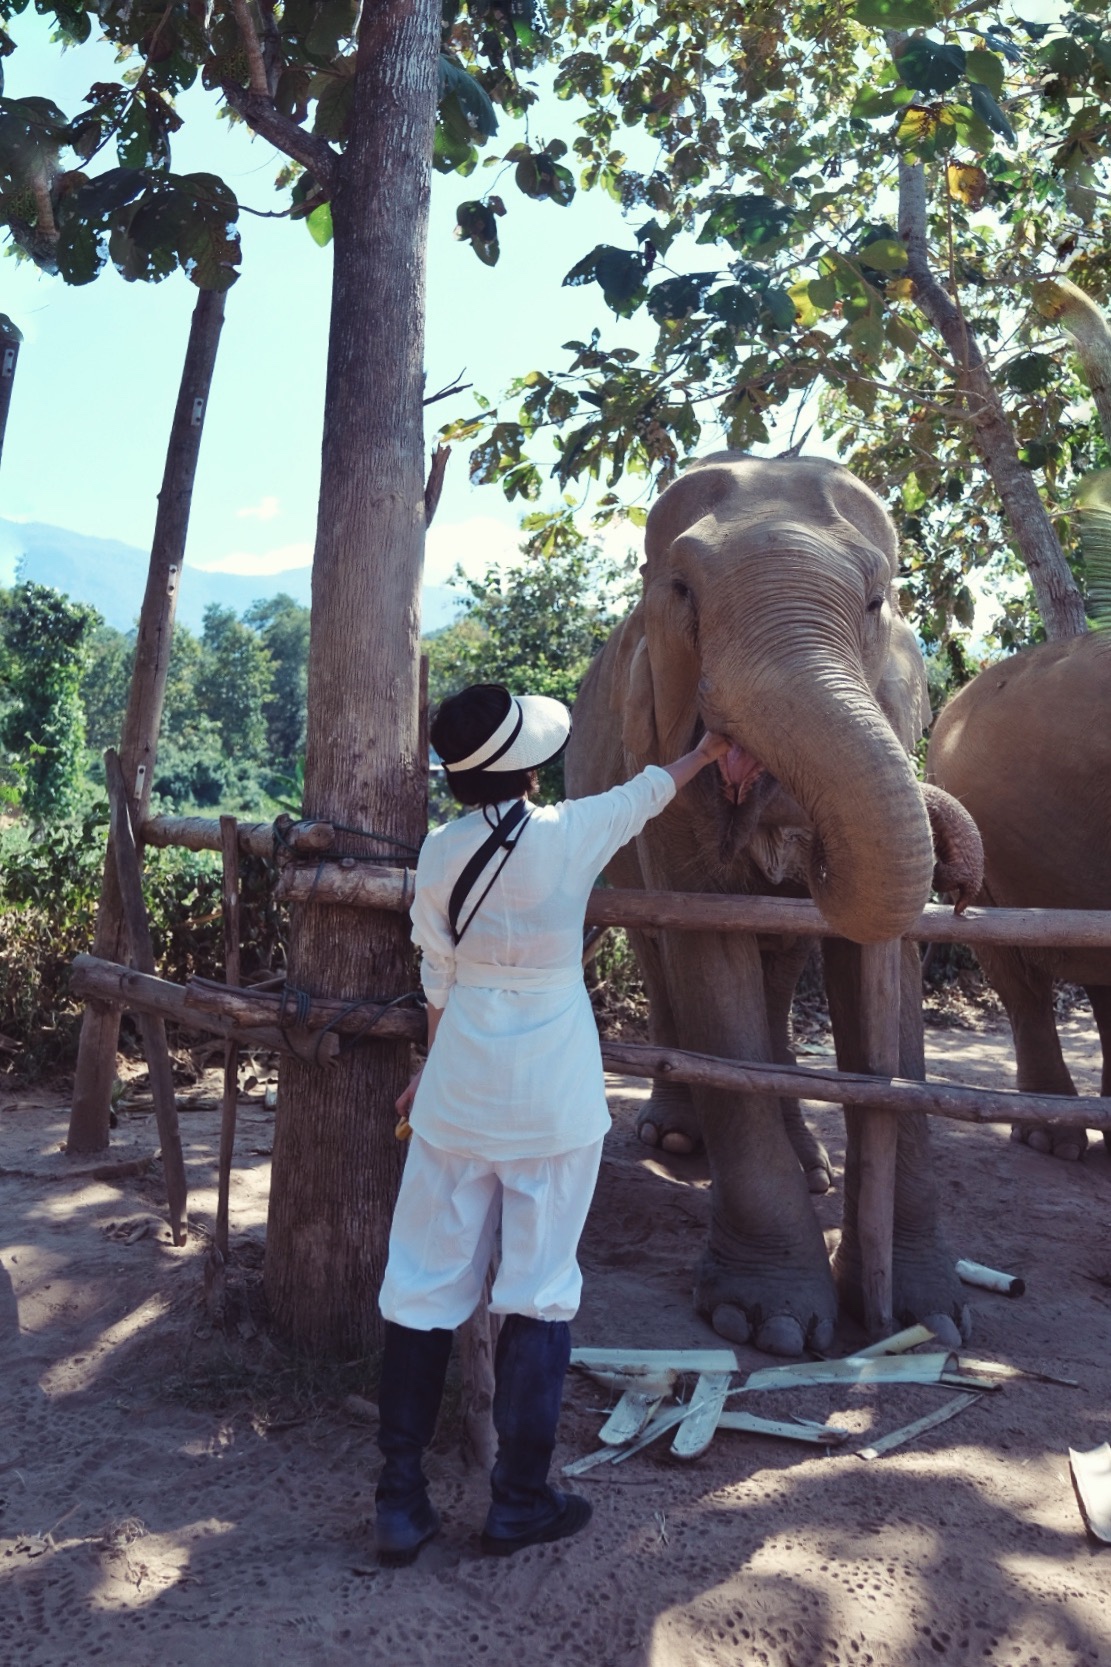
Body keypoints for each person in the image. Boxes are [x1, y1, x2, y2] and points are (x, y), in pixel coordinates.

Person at [374, 682, 729, 1564]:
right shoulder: (569, 836)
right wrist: (712, 752)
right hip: (552, 1094)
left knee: (420, 1285)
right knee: (536, 1288)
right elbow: (650, 790)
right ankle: (519, 1501)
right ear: (527, 767)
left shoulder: (437, 851)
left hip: (459, 1088)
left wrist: (429, 1072)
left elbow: (438, 980)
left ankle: (398, 1500)